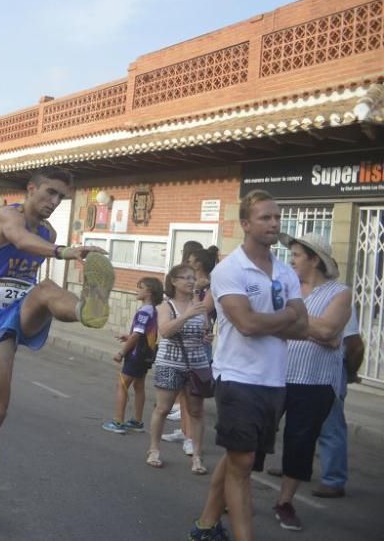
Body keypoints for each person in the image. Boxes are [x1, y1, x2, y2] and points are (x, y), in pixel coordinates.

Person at [0, 168, 114, 536]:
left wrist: (60, 250)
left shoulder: (49, 232)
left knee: (45, 288)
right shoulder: (7, 216)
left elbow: (39, 250)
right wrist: (64, 252)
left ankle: (86, 309)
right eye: (48, 193)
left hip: (25, 308)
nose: (53, 203)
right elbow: (19, 239)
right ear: (30, 189)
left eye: (60, 197)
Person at [189, 190, 307, 541]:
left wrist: (274, 319)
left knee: (239, 457)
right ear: (245, 224)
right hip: (238, 378)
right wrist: (286, 315)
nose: (273, 223)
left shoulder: (285, 272)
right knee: (241, 465)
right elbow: (247, 324)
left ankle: (206, 525)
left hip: (274, 379)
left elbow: (302, 328)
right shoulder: (230, 269)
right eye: (264, 217)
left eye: (276, 217)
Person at [267, 232, 351, 531]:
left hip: (314, 382)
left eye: (297, 255)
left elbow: (329, 330)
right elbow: (265, 319)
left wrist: (290, 316)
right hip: (274, 375)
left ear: (315, 259)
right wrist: (314, 328)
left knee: (300, 444)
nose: (291, 260)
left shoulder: (339, 292)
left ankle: (285, 503)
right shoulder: (286, 288)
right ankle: (232, 493)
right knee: (254, 436)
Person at [145, 264, 211, 475]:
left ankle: (197, 456)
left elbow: (205, 331)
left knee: (196, 411)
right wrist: (186, 315)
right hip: (170, 364)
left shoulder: (199, 305)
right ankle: (154, 450)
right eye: (186, 278)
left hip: (197, 365)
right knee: (163, 409)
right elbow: (164, 331)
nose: (191, 281)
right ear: (173, 281)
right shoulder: (166, 306)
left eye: (193, 277)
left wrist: (207, 337)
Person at [103, 276, 162, 434]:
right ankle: (137, 420)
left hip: (136, 355)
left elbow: (137, 335)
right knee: (138, 385)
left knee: (121, 385)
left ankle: (118, 422)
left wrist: (122, 352)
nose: (137, 290)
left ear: (149, 292)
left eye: (140, 287)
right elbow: (143, 334)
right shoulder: (153, 311)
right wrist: (128, 337)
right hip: (145, 355)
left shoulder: (144, 311)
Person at [312, 310, 360, 498]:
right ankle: (297, 467)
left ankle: (334, 480)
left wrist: (351, 373)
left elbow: (355, 345)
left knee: (330, 425)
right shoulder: (298, 291)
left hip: (328, 374)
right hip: (301, 372)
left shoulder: (339, 297)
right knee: (301, 424)